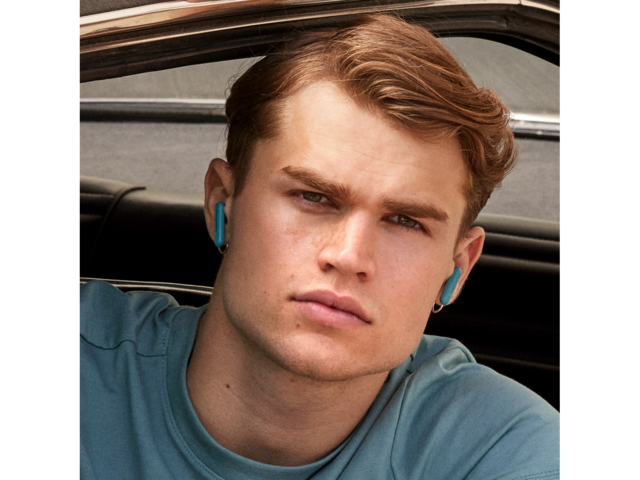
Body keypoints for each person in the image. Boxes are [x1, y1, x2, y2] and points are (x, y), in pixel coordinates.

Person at [78, 14, 562, 479]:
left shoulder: (508, 452)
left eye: (406, 221)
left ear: (457, 267)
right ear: (222, 202)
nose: (349, 257)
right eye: (313, 197)